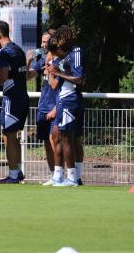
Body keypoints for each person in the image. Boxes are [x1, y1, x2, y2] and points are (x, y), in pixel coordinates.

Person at [0, 20, 29, 183]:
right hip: (22, 96)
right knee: (13, 135)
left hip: (11, 98)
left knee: (8, 135)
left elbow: (3, 77)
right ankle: (17, 172)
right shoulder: (18, 50)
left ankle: (12, 175)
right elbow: (17, 73)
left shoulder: (3, 52)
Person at [47, 26, 85, 187]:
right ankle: (59, 176)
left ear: (62, 46)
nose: (55, 55)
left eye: (56, 52)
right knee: (58, 135)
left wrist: (58, 73)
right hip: (63, 100)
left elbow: (79, 78)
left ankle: (72, 178)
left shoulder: (76, 52)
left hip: (70, 100)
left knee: (66, 137)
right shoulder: (67, 55)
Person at [26, 29, 59, 184]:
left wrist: (50, 70)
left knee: (55, 140)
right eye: (42, 41)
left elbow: (58, 87)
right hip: (43, 106)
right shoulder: (43, 59)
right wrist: (28, 61)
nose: (42, 45)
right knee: (46, 141)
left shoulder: (59, 60)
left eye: (45, 42)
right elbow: (28, 76)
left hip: (56, 107)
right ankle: (53, 175)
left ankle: (61, 174)